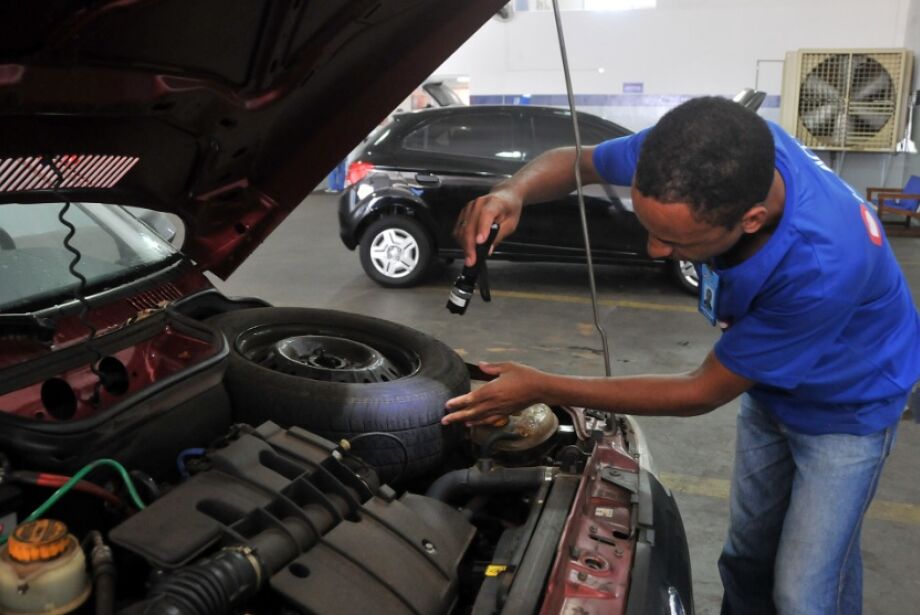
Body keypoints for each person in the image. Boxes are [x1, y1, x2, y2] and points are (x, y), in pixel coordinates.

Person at [441, 96, 920, 614]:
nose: (653, 250)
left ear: (752, 220)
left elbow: (702, 390)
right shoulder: (694, 154)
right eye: (650, 228)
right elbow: (576, 161)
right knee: (745, 561)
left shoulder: (823, 266)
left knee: (803, 593)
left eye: (673, 240)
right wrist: (512, 192)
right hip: (770, 386)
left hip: (848, 408)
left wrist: (543, 385)